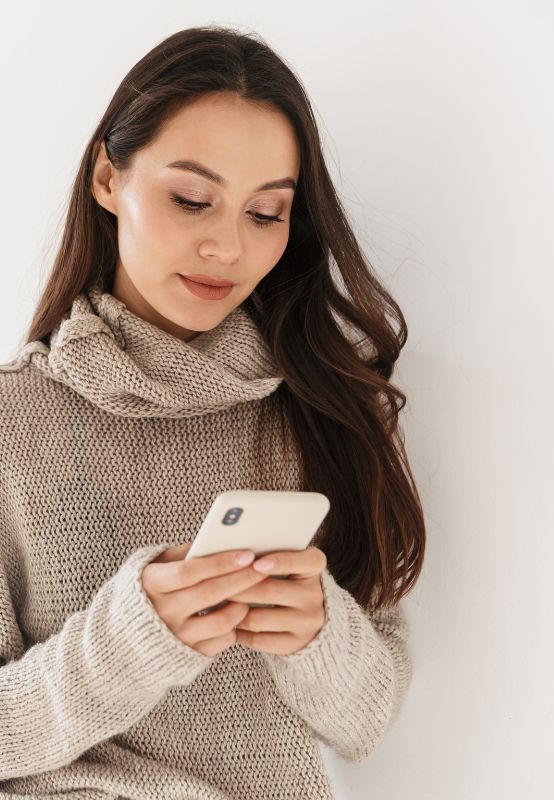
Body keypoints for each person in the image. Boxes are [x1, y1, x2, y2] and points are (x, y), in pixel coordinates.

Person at [0, 25, 425, 799]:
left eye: (266, 214)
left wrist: (314, 633)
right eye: (191, 199)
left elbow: (369, 718)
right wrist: (129, 643)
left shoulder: (325, 405)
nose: (226, 246)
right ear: (107, 179)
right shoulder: (10, 420)